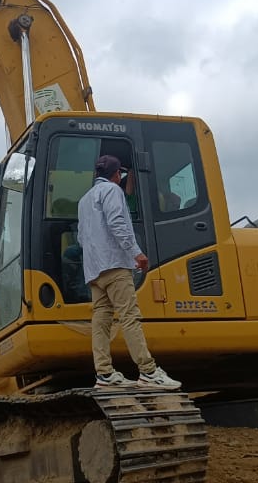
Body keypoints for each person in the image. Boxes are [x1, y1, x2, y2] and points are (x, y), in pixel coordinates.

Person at [77, 154, 181, 390]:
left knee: (101, 321)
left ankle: (104, 373)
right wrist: (136, 253)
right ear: (117, 175)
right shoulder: (113, 191)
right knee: (129, 317)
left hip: (94, 271)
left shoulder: (84, 200)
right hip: (115, 265)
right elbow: (117, 223)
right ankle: (148, 371)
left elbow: (82, 237)